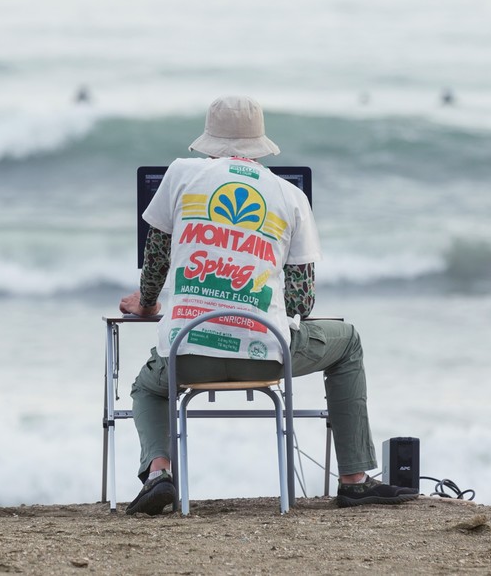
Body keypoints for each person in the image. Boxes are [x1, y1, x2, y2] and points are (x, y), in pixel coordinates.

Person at [120, 95, 416, 513]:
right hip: (267, 358)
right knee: (347, 341)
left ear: (207, 144)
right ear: (260, 145)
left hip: (187, 357)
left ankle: (159, 474)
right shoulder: (290, 195)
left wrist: (148, 303)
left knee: (147, 386)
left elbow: (156, 259)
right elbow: (301, 301)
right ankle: (354, 480)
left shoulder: (181, 174)